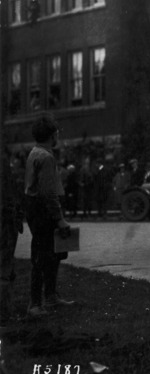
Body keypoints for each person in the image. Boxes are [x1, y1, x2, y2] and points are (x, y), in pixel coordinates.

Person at [23, 113, 74, 317]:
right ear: (52, 135)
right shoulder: (46, 157)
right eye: (57, 133)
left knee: (51, 254)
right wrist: (59, 219)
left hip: (35, 208)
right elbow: (48, 193)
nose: (58, 136)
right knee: (43, 256)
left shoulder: (34, 152)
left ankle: (50, 297)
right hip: (43, 210)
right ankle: (35, 304)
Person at [1, 152, 25, 328]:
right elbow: (8, 193)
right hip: (3, 221)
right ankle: (4, 314)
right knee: (4, 266)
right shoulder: (2, 161)